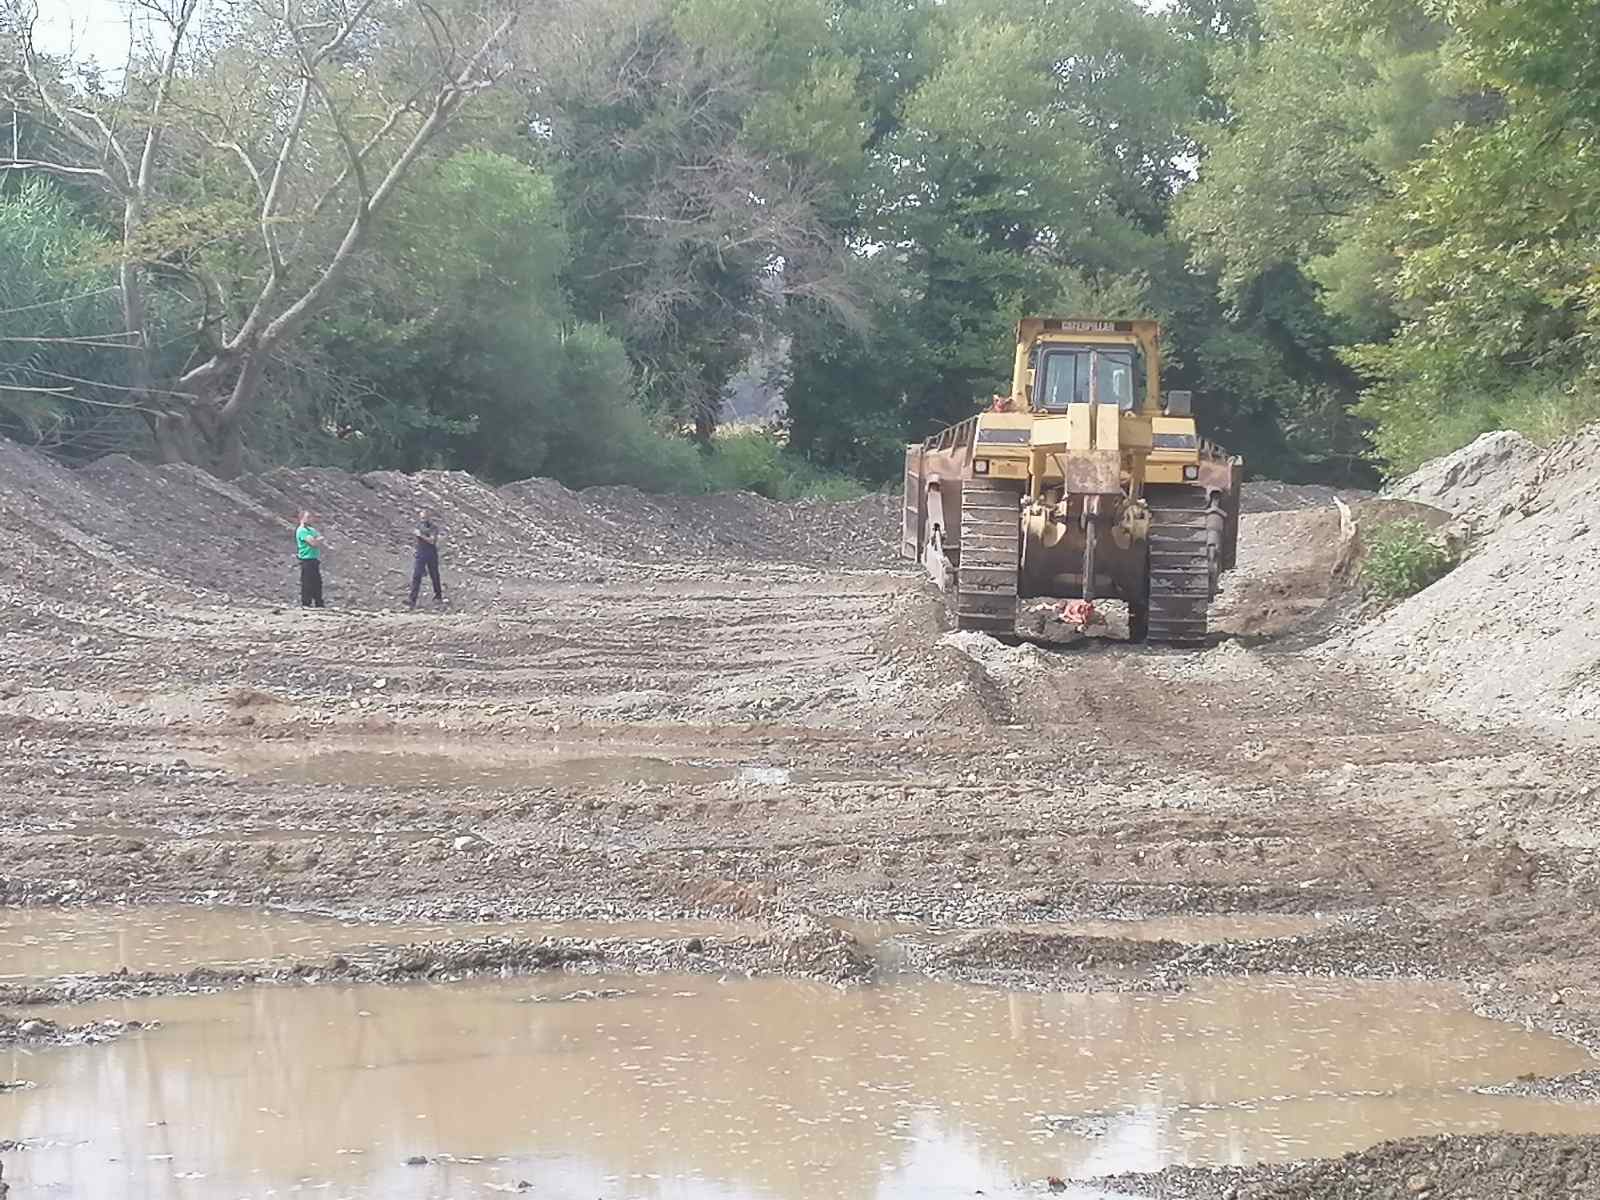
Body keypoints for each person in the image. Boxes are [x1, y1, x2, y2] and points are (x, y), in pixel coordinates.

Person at [409, 506, 444, 608]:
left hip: (431, 554)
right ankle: (412, 600)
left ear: (429, 517)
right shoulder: (419, 526)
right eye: (421, 518)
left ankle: (438, 596)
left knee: (434, 576)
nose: (423, 520)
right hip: (421, 553)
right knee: (416, 576)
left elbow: (432, 541)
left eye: (425, 518)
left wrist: (420, 535)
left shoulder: (433, 528)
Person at [296, 511, 326, 608]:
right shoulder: (302, 531)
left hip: (314, 559)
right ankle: (306, 603)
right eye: (307, 517)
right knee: (307, 582)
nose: (310, 519)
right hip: (306, 559)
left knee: (317, 582)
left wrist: (317, 539)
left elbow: (319, 538)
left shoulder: (311, 530)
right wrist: (317, 540)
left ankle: (319, 603)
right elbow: (313, 542)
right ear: (302, 518)